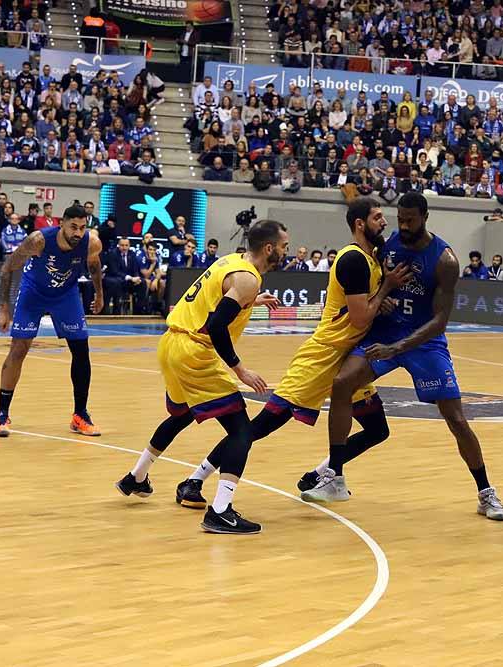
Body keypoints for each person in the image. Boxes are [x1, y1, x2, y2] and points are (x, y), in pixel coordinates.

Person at [166, 198, 411, 513]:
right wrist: (387, 289)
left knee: (378, 428)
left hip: (350, 357)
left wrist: (381, 297)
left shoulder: (373, 259)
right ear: (360, 223)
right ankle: (195, 480)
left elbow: (366, 307)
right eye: (378, 217)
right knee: (260, 427)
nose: (385, 222)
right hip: (322, 356)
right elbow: (361, 317)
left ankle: (320, 474)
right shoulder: (353, 260)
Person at [299, 193, 503, 520]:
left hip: (424, 342)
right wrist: (379, 300)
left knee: (455, 418)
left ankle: (486, 492)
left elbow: (440, 320)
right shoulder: (390, 244)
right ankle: (334, 477)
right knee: (341, 384)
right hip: (385, 332)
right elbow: (377, 283)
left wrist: (397, 348)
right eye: (401, 218)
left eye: (411, 219)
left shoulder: (445, 260)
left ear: (425, 216)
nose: (405, 225)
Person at [116, 220, 290, 534]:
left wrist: (253, 301)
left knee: (182, 414)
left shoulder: (231, 262)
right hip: (194, 351)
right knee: (241, 430)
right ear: (269, 248)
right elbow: (217, 326)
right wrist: (240, 370)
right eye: (283, 247)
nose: (285, 252)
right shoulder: (249, 279)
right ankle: (221, 510)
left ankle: (136, 476)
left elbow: (217, 299)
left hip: (170, 343)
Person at [0, 204, 104, 437]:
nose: (78, 233)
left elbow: (94, 266)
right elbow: (7, 268)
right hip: (34, 292)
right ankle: (2, 414)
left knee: (81, 350)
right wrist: (4, 307)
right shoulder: (38, 240)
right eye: (73, 227)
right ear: (60, 223)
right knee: (18, 350)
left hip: (66, 294)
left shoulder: (91, 242)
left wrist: (99, 294)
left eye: (82, 228)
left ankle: (80, 415)